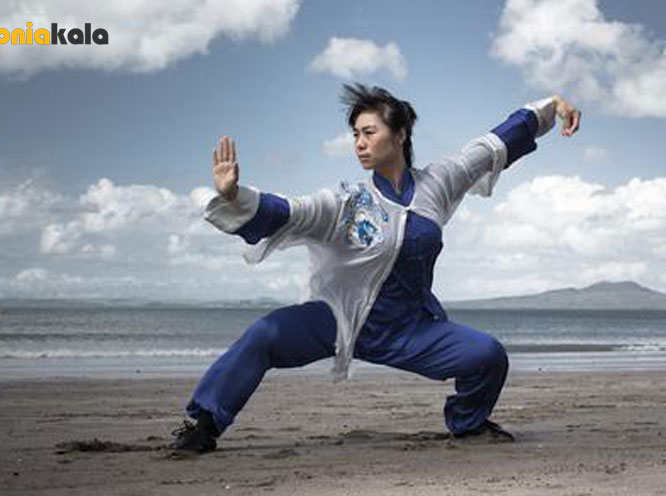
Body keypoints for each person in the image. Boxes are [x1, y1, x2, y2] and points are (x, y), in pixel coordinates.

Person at [172, 83, 581, 454]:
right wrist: (237, 196)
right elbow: (293, 212)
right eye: (355, 135)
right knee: (265, 334)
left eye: (369, 132)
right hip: (339, 319)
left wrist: (550, 106)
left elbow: (491, 146)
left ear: (400, 134)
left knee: (487, 355)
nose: (359, 143)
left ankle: (468, 424)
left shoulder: (438, 183)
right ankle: (204, 424)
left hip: (409, 329)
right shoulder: (349, 203)